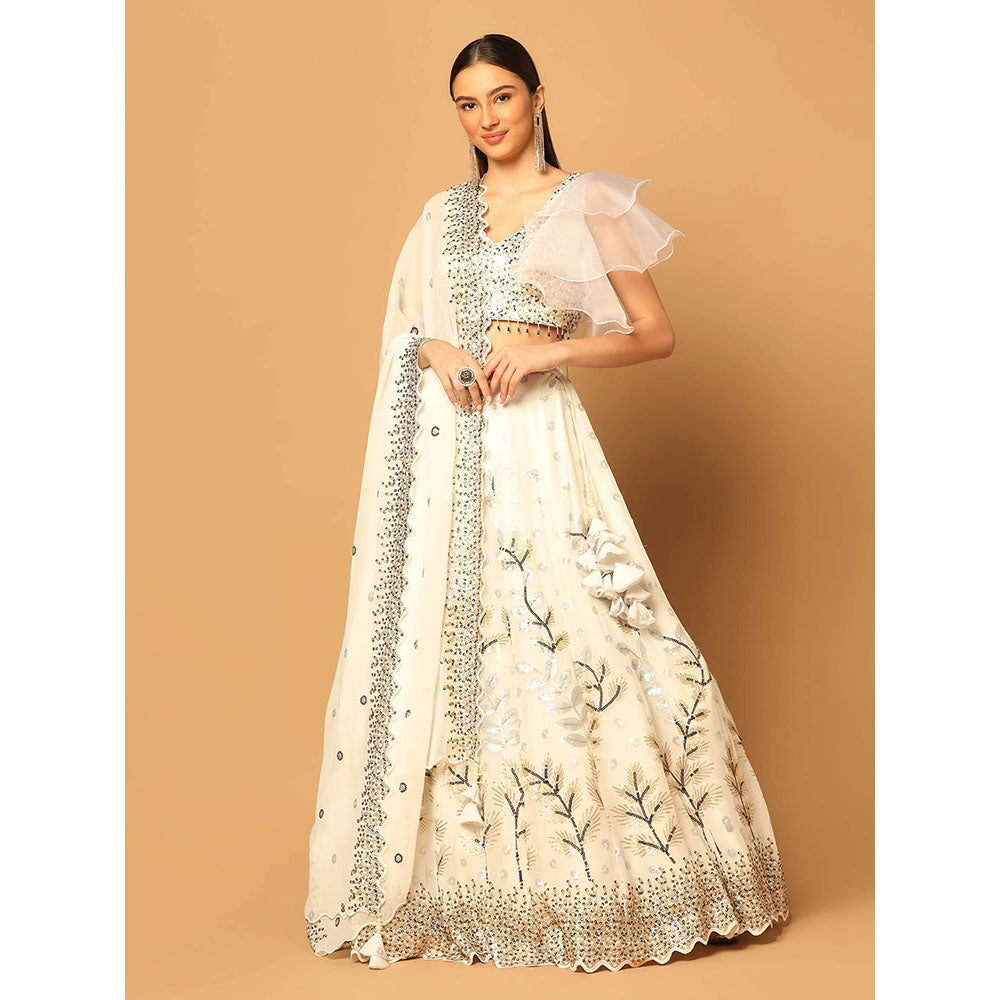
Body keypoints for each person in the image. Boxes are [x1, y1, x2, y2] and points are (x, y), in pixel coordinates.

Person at [304, 33, 789, 972]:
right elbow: (406, 326)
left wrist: (549, 351)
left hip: (540, 447)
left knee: (578, 628)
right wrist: (434, 349)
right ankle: (467, 879)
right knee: (463, 641)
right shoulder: (442, 215)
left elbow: (655, 334)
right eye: (467, 104)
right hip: (448, 455)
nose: (486, 119)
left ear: (536, 96)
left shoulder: (586, 202)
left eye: (501, 97)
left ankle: (630, 872)